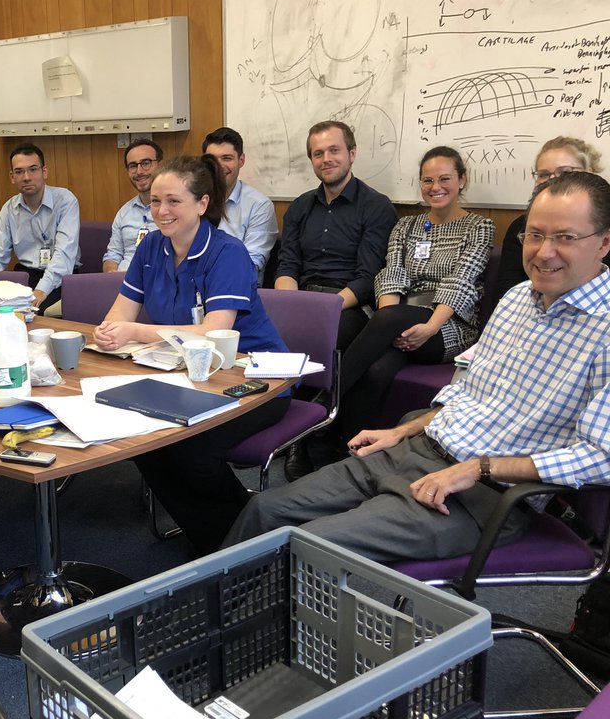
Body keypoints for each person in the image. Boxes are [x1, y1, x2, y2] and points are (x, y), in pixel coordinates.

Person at [224, 171, 610, 563]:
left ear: (604, 243)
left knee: (307, 546)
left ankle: (253, 622)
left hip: (481, 494)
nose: (544, 252)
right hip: (419, 448)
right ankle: (208, 618)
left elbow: (603, 456)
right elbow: (467, 389)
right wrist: (402, 431)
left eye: (565, 237)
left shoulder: (605, 328)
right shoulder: (516, 299)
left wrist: (479, 469)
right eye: (534, 234)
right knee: (264, 510)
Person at [94, 156, 290, 553]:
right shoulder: (151, 246)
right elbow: (122, 312)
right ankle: (222, 535)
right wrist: (109, 331)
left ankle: (235, 540)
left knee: (193, 452)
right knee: (146, 447)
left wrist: (134, 331)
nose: (161, 212)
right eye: (153, 202)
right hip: (184, 376)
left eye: (173, 202)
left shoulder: (227, 253)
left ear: (202, 204)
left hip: (253, 379)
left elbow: (213, 333)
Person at [326, 147, 493, 449]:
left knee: (384, 327)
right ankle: (345, 447)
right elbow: (392, 273)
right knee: (376, 372)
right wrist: (387, 323)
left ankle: (323, 402)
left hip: (447, 324)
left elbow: (461, 281)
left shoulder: (479, 226)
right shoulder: (407, 226)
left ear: (462, 180)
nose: (435, 187)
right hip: (397, 318)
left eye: (444, 179)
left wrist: (427, 327)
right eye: (427, 180)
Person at [275, 120, 398, 351]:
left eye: (334, 150)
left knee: (318, 338)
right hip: (302, 299)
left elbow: (368, 277)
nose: (326, 159)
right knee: (262, 332)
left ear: (352, 153)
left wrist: (325, 308)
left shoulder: (376, 207)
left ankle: (320, 389)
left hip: (349, 306)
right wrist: (290, 306)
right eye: (318, 153)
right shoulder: (300, 207)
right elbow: (288, 266)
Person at [493, 137, 604, 304]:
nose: (552, 181)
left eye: (565, 172)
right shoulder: (519, 227)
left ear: (590, 173)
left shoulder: (602, 227)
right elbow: (506, 289)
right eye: (543, 174)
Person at [0, 143, 81, 311]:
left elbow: (64, 255)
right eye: (19, 172)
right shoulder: (9, 209)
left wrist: (41, 290)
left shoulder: (65, 201)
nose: (26, 177)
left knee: (38, 310)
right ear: (12, 177)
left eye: (33, 169)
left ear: (44, 171)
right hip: (26, 276)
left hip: (61, 278)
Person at [202, 127, 278, 278]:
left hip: (236, 288)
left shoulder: (259, 205)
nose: (219, 166)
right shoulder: (193, 199)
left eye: (227, 158)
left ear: (241, 160)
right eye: (213, 159)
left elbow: (251, 264)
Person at [102, 139, 162, 272]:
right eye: (133, 166)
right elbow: (113, 255)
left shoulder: (173, 210)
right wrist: (110, 274)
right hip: (122, 285)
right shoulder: (124, 213)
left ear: (160, 165)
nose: (139, 171)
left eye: (146, 163)